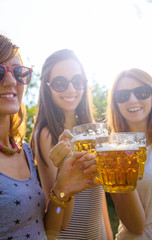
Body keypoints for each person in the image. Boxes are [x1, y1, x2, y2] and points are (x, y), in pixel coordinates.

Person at [0, 34, 100, 240]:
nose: (10, 80)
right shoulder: (43, 135)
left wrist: (62, 189)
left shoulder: (24, 151)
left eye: (18, 72)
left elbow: (51, 231)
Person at [30, 49, 113, 240]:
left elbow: (98, 198)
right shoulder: (46, 134)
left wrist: (109, 236)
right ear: (47, 87)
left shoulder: (90, 132)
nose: (71, 89)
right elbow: (58, 209)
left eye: (77, 81)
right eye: (60, 83)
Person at [107, 68, 152, 239]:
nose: (132, 100)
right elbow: (135, 226)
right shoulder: (111, 152)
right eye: (123, 96)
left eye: (141, 92)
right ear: (116, 104)